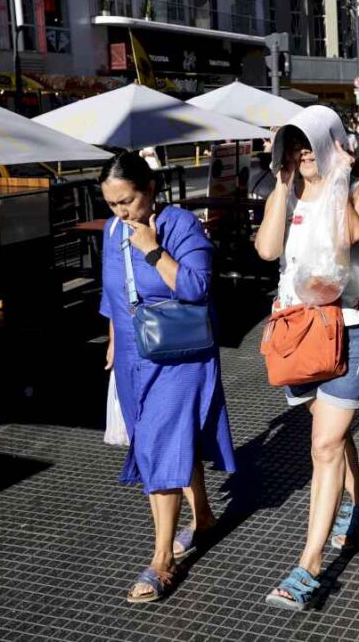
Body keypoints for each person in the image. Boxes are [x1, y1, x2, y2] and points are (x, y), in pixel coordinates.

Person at [254, 106, 359, 612]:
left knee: (324, 445)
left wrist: (338, 175)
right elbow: (267, 251)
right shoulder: (285, 193)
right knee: (334, 434)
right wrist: (282, 189)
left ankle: (307, 568)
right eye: (294, 145)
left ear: (332, 143)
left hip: (353, 327)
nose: (302, 153)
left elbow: (349, 237)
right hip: (300, 333)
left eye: (311, 143)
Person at [99, 152, 236, 604]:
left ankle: (162, 560)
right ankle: (205, 516)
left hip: (179, 356)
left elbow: (196, 286)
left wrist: (152, 249)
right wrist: (115, 340)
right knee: (164, 438)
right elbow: (112, 291)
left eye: (128, 201)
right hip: (134, 358)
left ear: (150, 189)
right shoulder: (113, 229)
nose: (120, 212)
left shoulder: (179, 225)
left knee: (161, 446)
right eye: (112, 203)